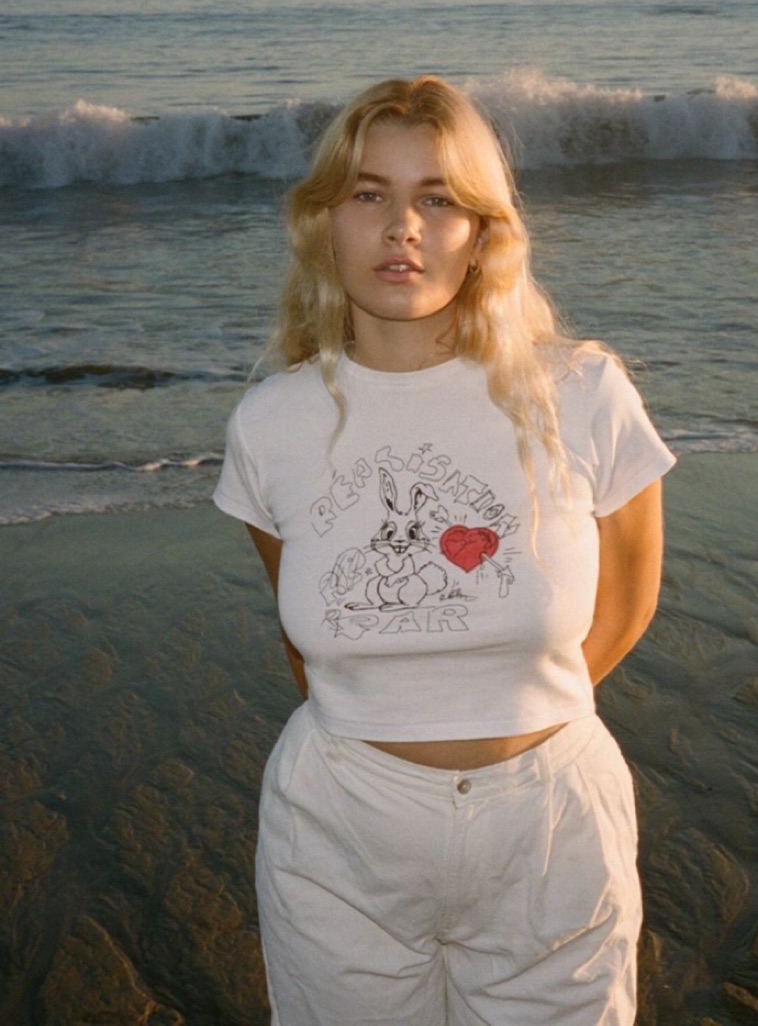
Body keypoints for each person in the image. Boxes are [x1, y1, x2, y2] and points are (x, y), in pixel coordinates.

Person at [213, 75, 675, 1026]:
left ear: (482, 229)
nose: (403, 228)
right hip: (340, 833)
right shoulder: (272, 423)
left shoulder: (582, 393)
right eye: (368, 194)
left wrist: (511, 722)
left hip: (552, 828)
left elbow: (628, 605)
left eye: (437, 199)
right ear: (324, 221)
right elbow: (310, 636)